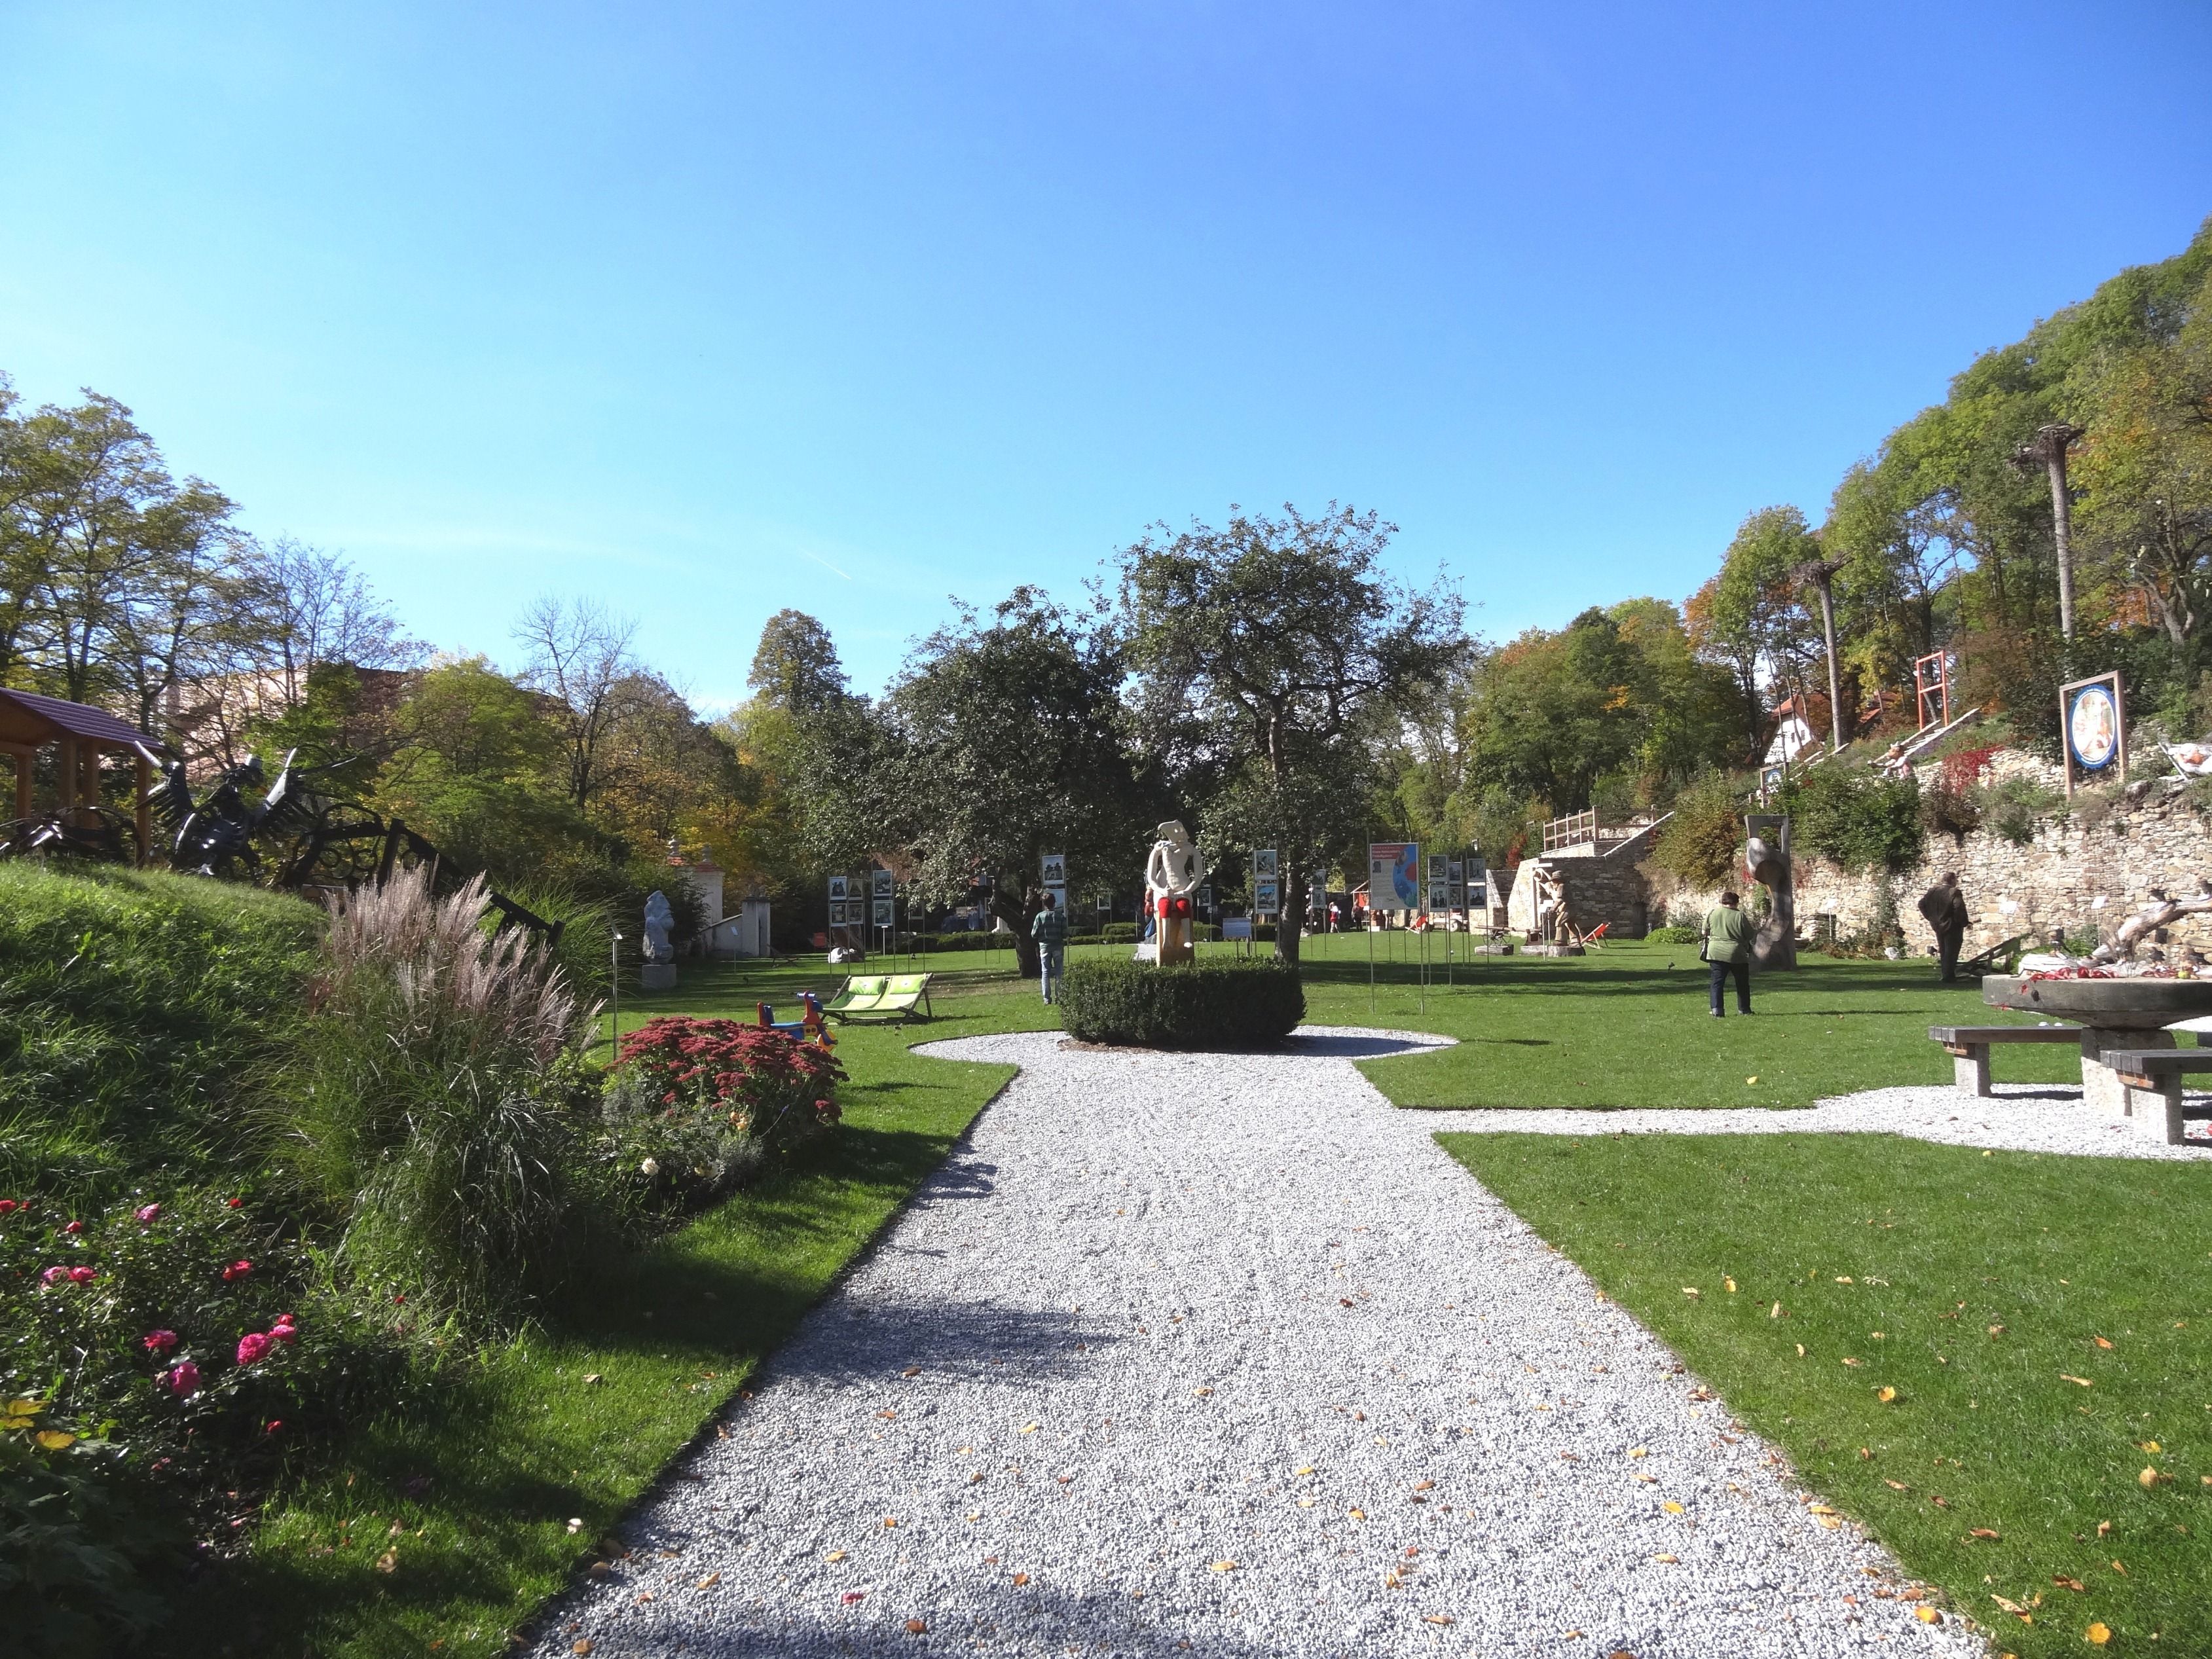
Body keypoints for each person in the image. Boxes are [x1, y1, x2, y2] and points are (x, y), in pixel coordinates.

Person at [1703, 890, 1753, 1017]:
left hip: (1716, 952)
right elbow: (1750, 934)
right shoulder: (1740, 916)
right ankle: (1744, 1009)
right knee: (1742, 983)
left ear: (1722, 902)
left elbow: (1704, 932)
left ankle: (1717, 1010)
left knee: (1717, 983)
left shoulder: (1713, 913)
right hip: (1737, 953)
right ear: (1736, 903)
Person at [1918, 871, 1970, 981]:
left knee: (1943, 950)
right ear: (1952, 880)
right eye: (1956, 880)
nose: (1956, 882)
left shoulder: (1932, 892)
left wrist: (1930, 917)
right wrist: (1964, 922)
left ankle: (1946, 974)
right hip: (1952, 925)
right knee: (1952, 950)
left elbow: (1921, 904)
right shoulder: (1954, 892)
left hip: (1937, 924)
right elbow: (1959, 907)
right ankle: (1949, 976)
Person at [1031, 890, 1069, 1004]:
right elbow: (1065, 933)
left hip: (1044, 948)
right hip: (1057, 946)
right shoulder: (1060, 916)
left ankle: (1047, 999)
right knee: (1059, 972)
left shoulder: (1039, 917)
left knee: (1045, 972)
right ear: (1054, 903)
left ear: (1044, 904)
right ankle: (1060, 997)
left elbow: (1034, 934)